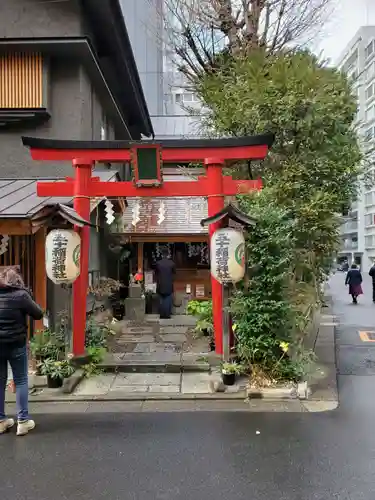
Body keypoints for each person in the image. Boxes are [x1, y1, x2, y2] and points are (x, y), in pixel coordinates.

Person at [0, 267, 43, 436]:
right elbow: (38, 314)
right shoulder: (21, 295)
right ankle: (23, 421)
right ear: (16, 280)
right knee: (21, 380)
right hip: (16, 343)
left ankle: (1, 421)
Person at [155, 247, 176, 319]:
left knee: (161, 300)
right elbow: (174, 272)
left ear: (161, 254)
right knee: (168, 300)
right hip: (169, 284)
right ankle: (167, 315)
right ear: (168, 254)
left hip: (160, 284)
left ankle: (162, 315)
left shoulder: (158, 263)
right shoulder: (172, 263)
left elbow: (156, 273)